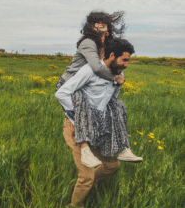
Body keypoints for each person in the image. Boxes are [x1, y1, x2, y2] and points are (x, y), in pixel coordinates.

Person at [55, 38, 142, 208]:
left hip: (98, 127)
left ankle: (83, 189)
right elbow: (61, 93)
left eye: (128, 61)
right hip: (76, 127)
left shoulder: (115, 74)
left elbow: (109, 100)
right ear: (111, 56)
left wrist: (118, 85)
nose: (127, 65)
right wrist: (80, 116)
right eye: (124, 60)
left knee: (112, 165)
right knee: (86, 175)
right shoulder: (89, 72)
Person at [55, 11, 140, 167]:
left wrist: (115, 79)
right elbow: (95, 66)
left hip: (89, 82)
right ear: (90, 25)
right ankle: (85, 149)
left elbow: (108, 60)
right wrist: (114, 78)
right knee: (81, 106)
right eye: (97, 22)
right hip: (70, 82)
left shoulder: (104, 44)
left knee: (115, 106)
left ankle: (120, 148)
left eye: (104, 22)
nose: (101, 24)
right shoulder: (88, 42)